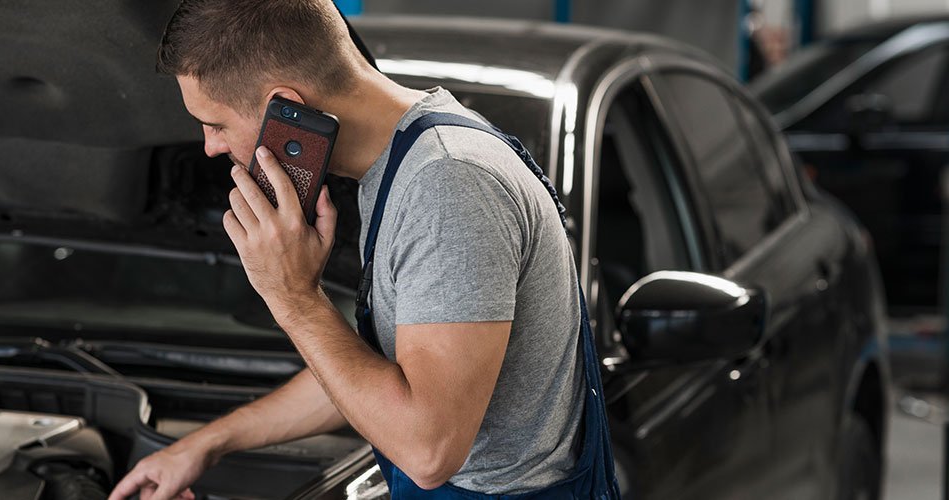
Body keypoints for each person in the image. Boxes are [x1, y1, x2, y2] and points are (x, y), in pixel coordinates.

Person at [109, 1, 620, 499]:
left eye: (215, 123)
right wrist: (206, 444)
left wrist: (292, 297)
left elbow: (428, 450)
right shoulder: (409, 162)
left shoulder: (448, 183)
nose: (210, 147)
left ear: (285, 108)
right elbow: (372, 372)